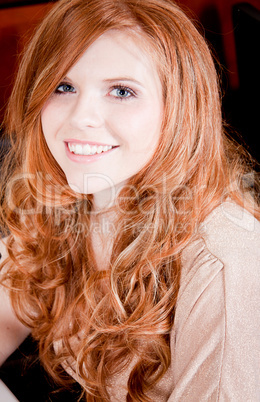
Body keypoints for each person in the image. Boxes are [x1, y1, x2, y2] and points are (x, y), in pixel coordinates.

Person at [0, 0, 259, 400]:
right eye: (63, 86)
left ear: (178, 110)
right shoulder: (68, 198)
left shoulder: (226, 263)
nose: (81, 117)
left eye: (122, 91)